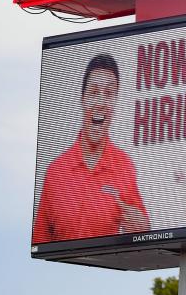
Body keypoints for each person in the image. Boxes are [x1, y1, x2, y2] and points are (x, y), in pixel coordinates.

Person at [32, 53, 150, 244]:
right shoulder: (55, 171)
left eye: (109, 94)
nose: (101, 103)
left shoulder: (124, 166)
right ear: (82, 98)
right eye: (94, 92)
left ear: (116, 103)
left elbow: (142, 229)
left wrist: (143, 229)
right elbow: (41, 239)